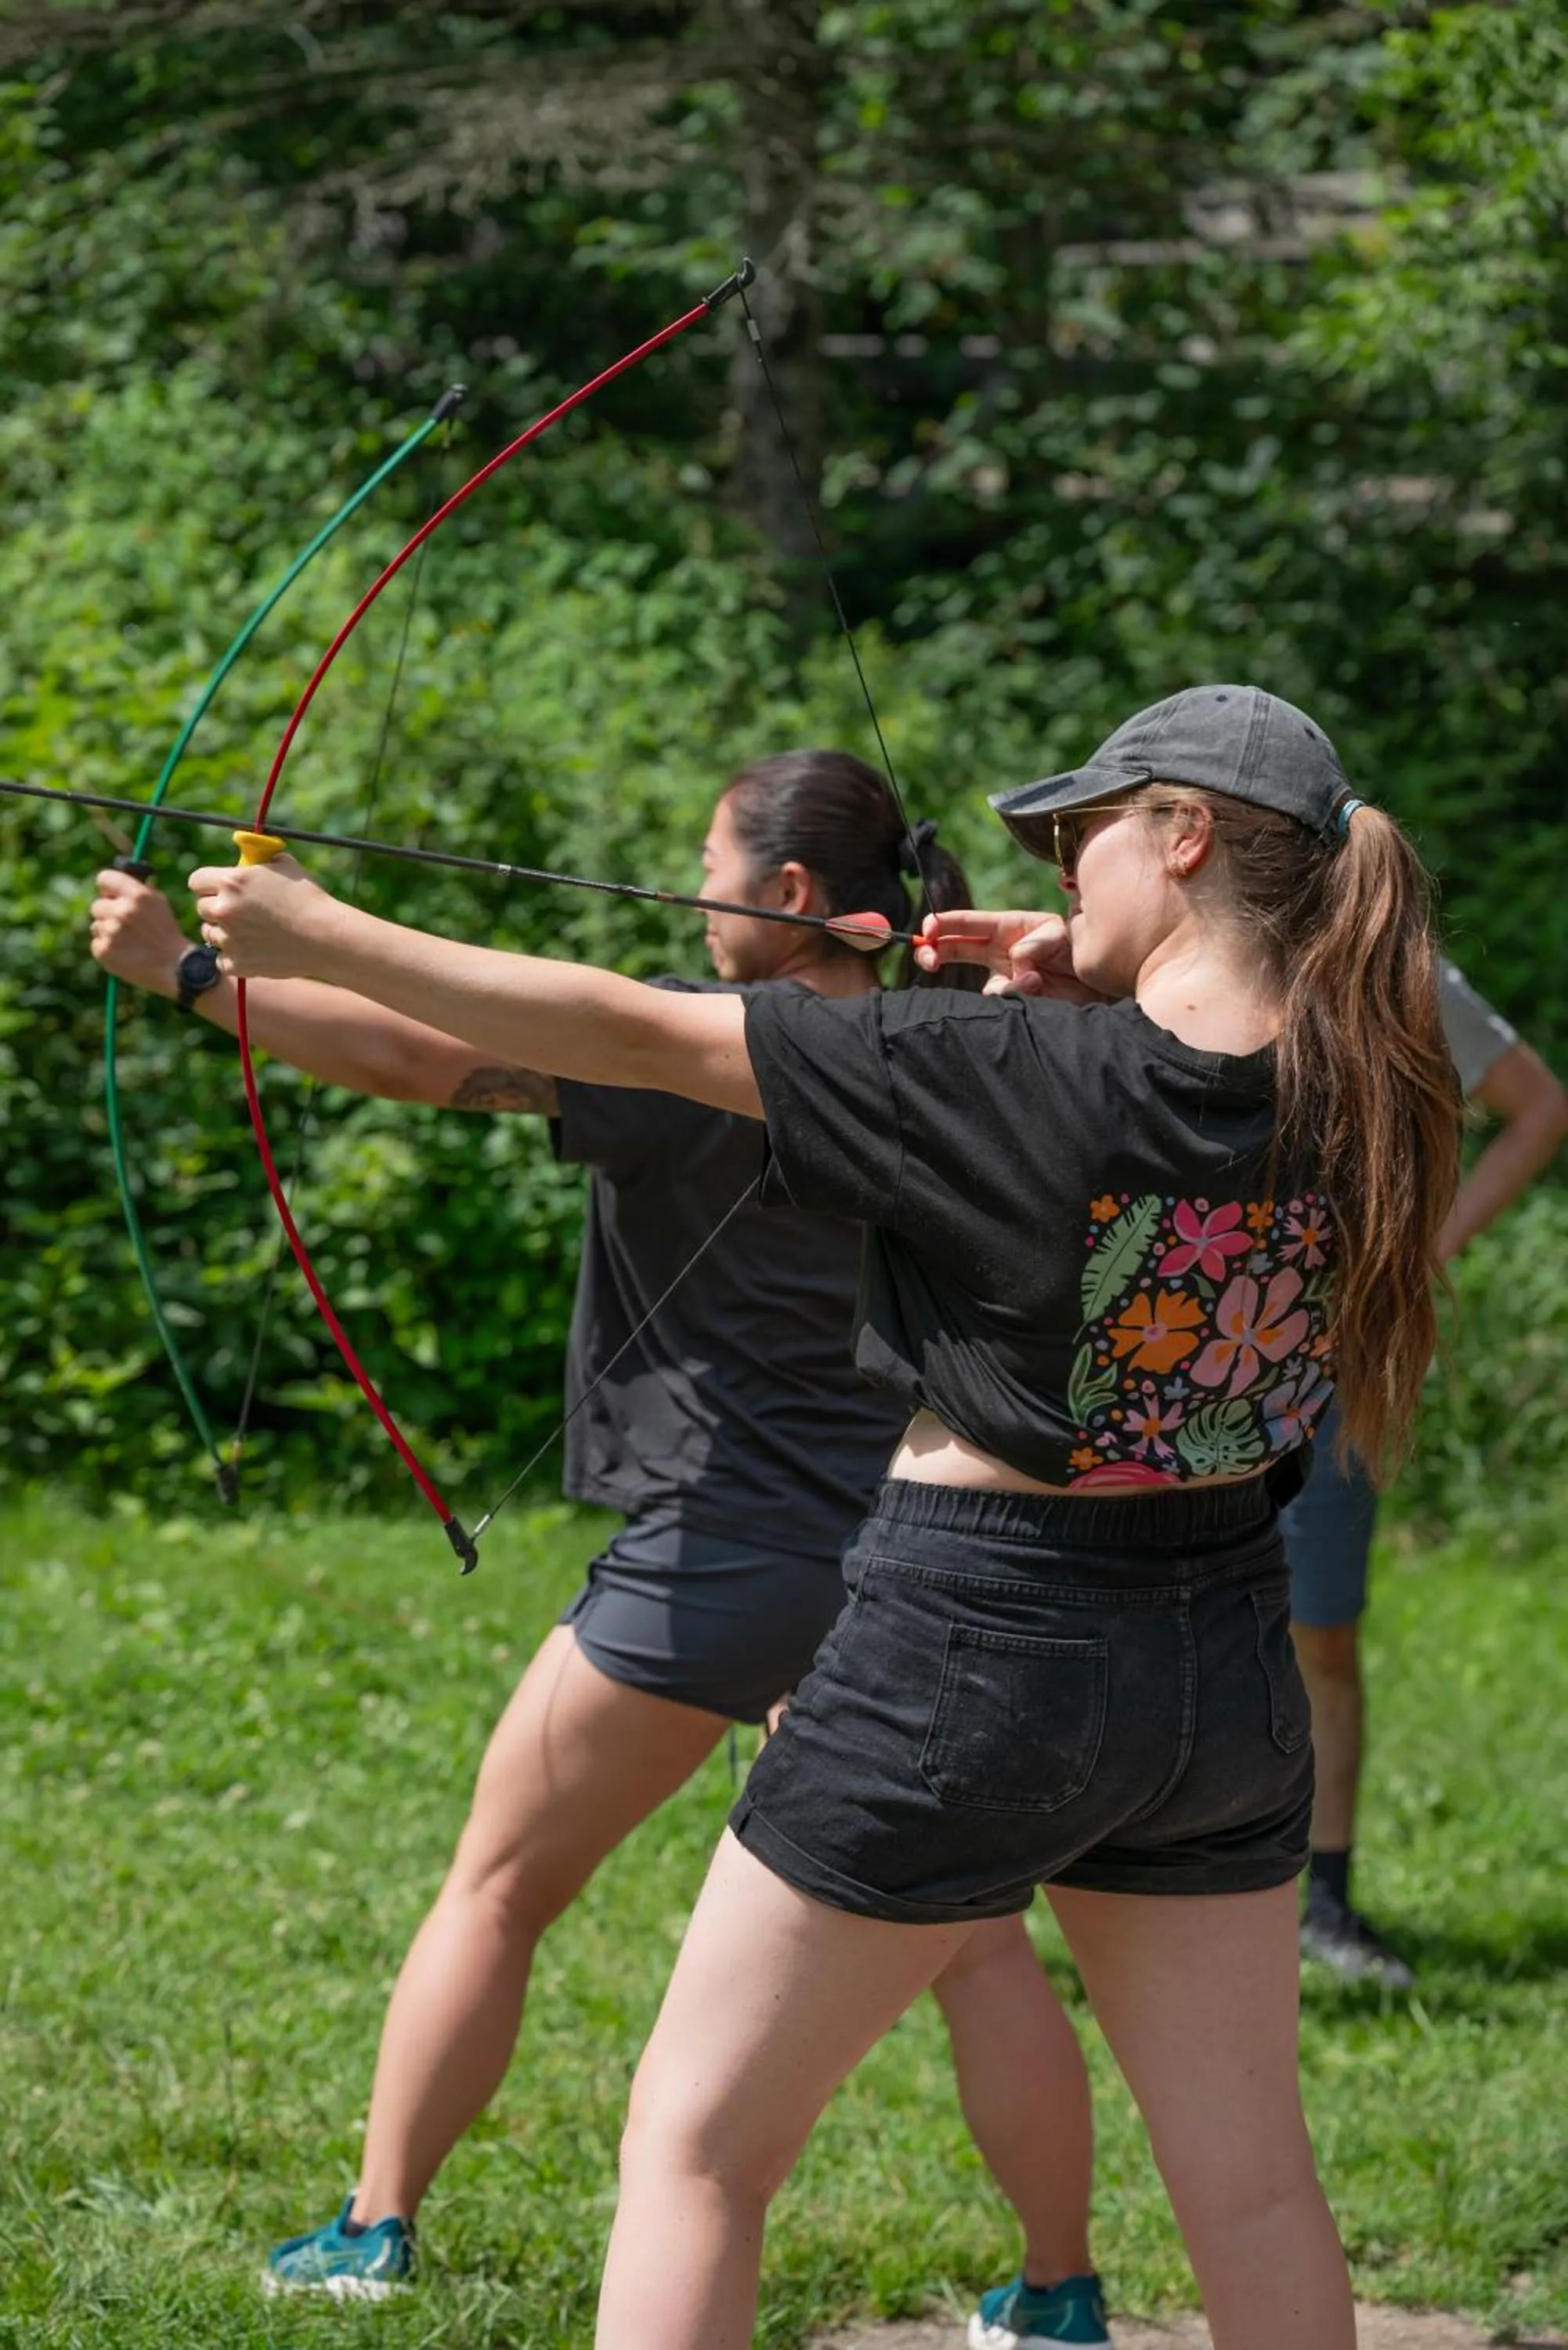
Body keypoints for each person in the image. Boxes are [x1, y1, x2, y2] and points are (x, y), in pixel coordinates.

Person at [187, 682, 1465, 2350]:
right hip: (1219, 1661)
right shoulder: (1372, 1083)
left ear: (1183, 834)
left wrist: (318, 931)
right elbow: (1152, 1082)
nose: (1062, 868)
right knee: (1249, 2189)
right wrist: (1083, 979)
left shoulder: (997, 1066)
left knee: (698, 2150)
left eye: (1083, 836)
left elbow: (627, 1031)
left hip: (971, 1645)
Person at [92, 748, 1108, 2342]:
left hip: (716, 1557)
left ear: (786, 895)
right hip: (911, 1555)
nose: (692, 899)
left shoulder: (695, 1049)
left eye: (709, 871)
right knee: (977, 1950)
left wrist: (189, 974)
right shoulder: (961, 1043)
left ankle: (372, 2229)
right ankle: (1056, 2292)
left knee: (495, 1888)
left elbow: (425, 1057)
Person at [1288, 964, 1568, 1986]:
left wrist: (1412, 1269)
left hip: (1333, 1360)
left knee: (1317, 1631)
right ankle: (1148, 1885)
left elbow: (1535, 1109)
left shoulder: (1392, 967)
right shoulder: (1168, 936)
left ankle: (1320, 1901)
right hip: (1187, 1344)